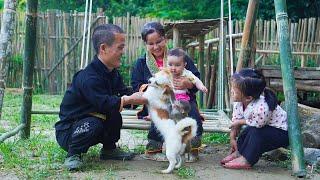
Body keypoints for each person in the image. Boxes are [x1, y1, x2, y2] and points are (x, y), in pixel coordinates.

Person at [55, 24, 147, 171]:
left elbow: (123, 93)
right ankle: (73, 154)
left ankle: (109, 149)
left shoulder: (112, 73)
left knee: (114, 115)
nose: (123, 52)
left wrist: (145, 92)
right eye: (120, 47)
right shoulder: (89, 77)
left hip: (92, 121)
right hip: (70, 131)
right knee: (96, 122)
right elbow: (104, 103)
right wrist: (130, 99)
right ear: (103, 48)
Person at [131, 22, 204, 162]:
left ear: (165, 39)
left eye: (159, 41)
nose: (156, 46)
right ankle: (153, 149)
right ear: (145, 44)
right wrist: (156, 87)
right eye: (151, 43)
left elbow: (196, 78)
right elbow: (136, 85)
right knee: (161, 113)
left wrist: (187, 83)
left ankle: (191, 149)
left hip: (183, 99)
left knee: (192, 114)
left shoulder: (180, 57)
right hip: (155, 101)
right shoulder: (141, 63)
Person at [221, 68, 289, 169]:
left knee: (255, 133)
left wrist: (239, 122)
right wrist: (232, 138)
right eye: (232, 88)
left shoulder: (262, 107)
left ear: (248, 98)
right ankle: (239, 152)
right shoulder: (238, 103)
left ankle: (247, 160)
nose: (231, 92)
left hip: (280, 133)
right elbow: (236, 120)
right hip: (261, 127)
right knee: (247, 132)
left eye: (234, 91)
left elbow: (258, 124)